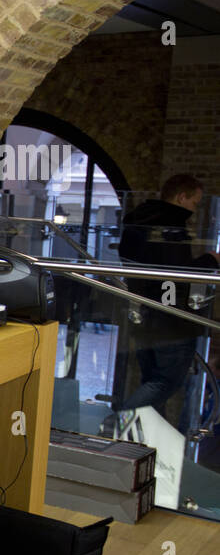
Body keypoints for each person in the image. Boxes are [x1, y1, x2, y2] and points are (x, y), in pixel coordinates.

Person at [111, 173, 220, 433]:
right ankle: (118, 425)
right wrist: (211, 260)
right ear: (181, 197)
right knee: (164, 383)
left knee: (152, 380)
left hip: (142, 316)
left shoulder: (139, 221)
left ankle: (145, 443)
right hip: (169, 320)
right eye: (194, 203)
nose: (193, 211)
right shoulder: (171, 225)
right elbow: (177, 274)